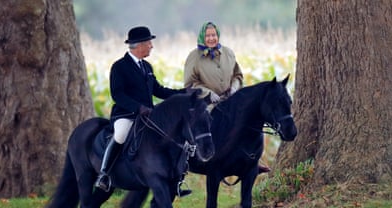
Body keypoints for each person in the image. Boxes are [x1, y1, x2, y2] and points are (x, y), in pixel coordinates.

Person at [95, 26, 187, 192]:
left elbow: (159, 90)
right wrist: (138, 107)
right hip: (126, 115)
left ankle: (176, 179)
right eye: (149, 43)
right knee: (121, 134)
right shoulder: (119, 67)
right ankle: (104, 174)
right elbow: (118, 95)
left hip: (148, 116)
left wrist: (183, 93)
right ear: (139, 45)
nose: (151, 46)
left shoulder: (147, 67)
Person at [184, 22, 271, 173]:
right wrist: (208, 93)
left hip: (230, 99)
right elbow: (190, 83)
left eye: (214, 35)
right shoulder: (194, 57)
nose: (211, 38)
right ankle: (201, 157)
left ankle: (251, 159)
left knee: (248, 119)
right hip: (205, 102)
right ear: (202, 37)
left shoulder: (228, 53)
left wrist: (235, 87)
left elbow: (237, 74)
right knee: (209, 123)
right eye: (208, 36)